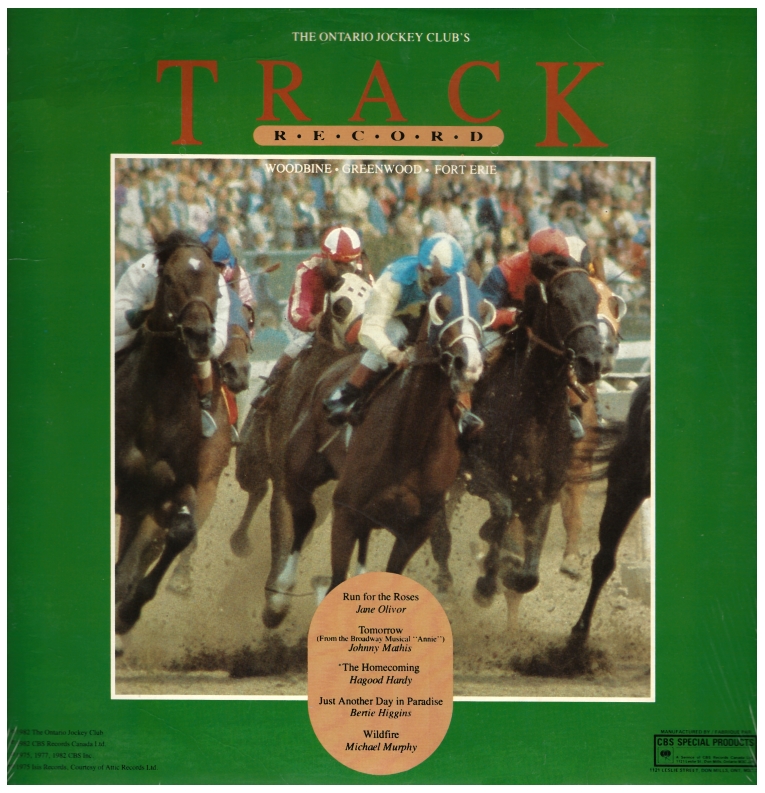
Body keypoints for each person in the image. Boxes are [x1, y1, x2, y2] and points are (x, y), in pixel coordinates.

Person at [323, 232, 484, 438]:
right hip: (392, 318)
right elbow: (370, 329)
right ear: (421, 269)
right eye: (434, 280)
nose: (438, 288)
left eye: (446, 282)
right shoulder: (394, 280)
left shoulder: (456, 285)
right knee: (397, 333)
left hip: (423, 320)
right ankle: (348, 392)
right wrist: (392, 353)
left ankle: (464, 411)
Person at [114, 229, 231, 437]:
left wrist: (202, 340)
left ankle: (206, 409)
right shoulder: (143, 271)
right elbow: (114, 322)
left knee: (207, 361)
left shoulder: (214, 279)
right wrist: (143, 312)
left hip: (189, 340)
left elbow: (220, 336)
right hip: (145, 334)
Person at [479, 228, 589, 439]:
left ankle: (576, 412)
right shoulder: (503, 272)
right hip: (508, 328)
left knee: (574, 349)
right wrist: (513, 317)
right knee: (481, 353)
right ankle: (473, 411)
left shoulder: (567, 272)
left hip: (543, 331)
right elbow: (483, 314)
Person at [252, 225, 366, 410]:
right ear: (325, 257)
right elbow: (298, 310)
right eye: (337, 264)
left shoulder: (360, 269)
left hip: (344, 322)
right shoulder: (308, 270)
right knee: (299, 343)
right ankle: (269, 390)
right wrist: (312, 322)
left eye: (349, 264)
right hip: (307, 321)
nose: (344, 270)